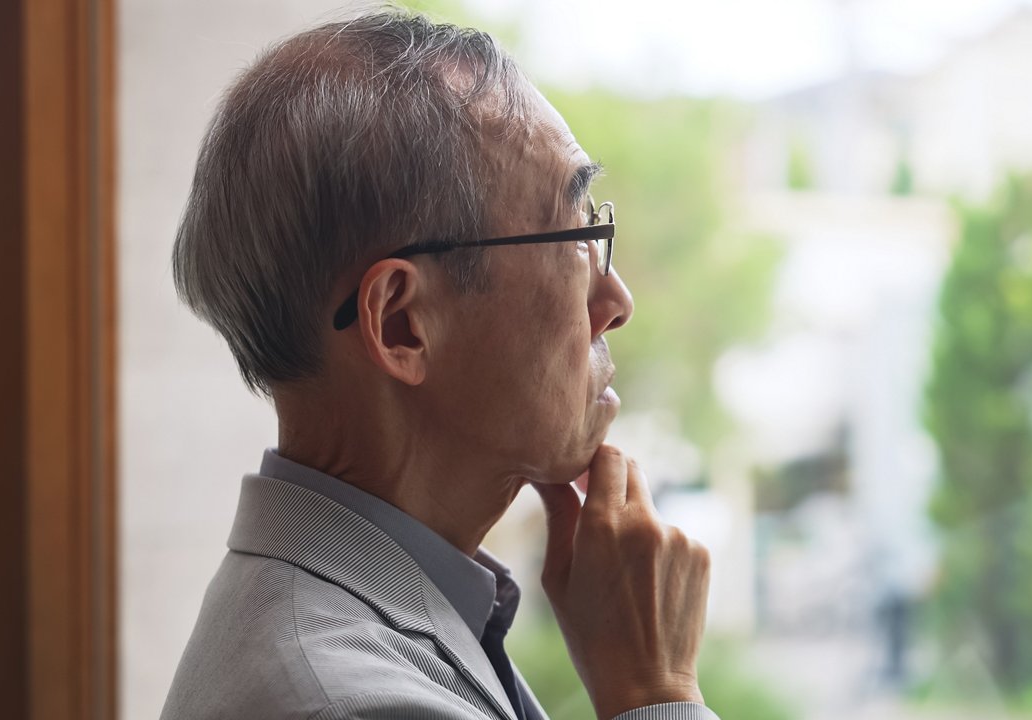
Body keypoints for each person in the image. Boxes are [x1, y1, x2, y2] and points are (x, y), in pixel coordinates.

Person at [161, 10, 715, 720]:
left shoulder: (375, 618)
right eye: (576, 235)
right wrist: (655, 692)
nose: (615, 299)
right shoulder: (356, 701)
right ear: (401, 323)